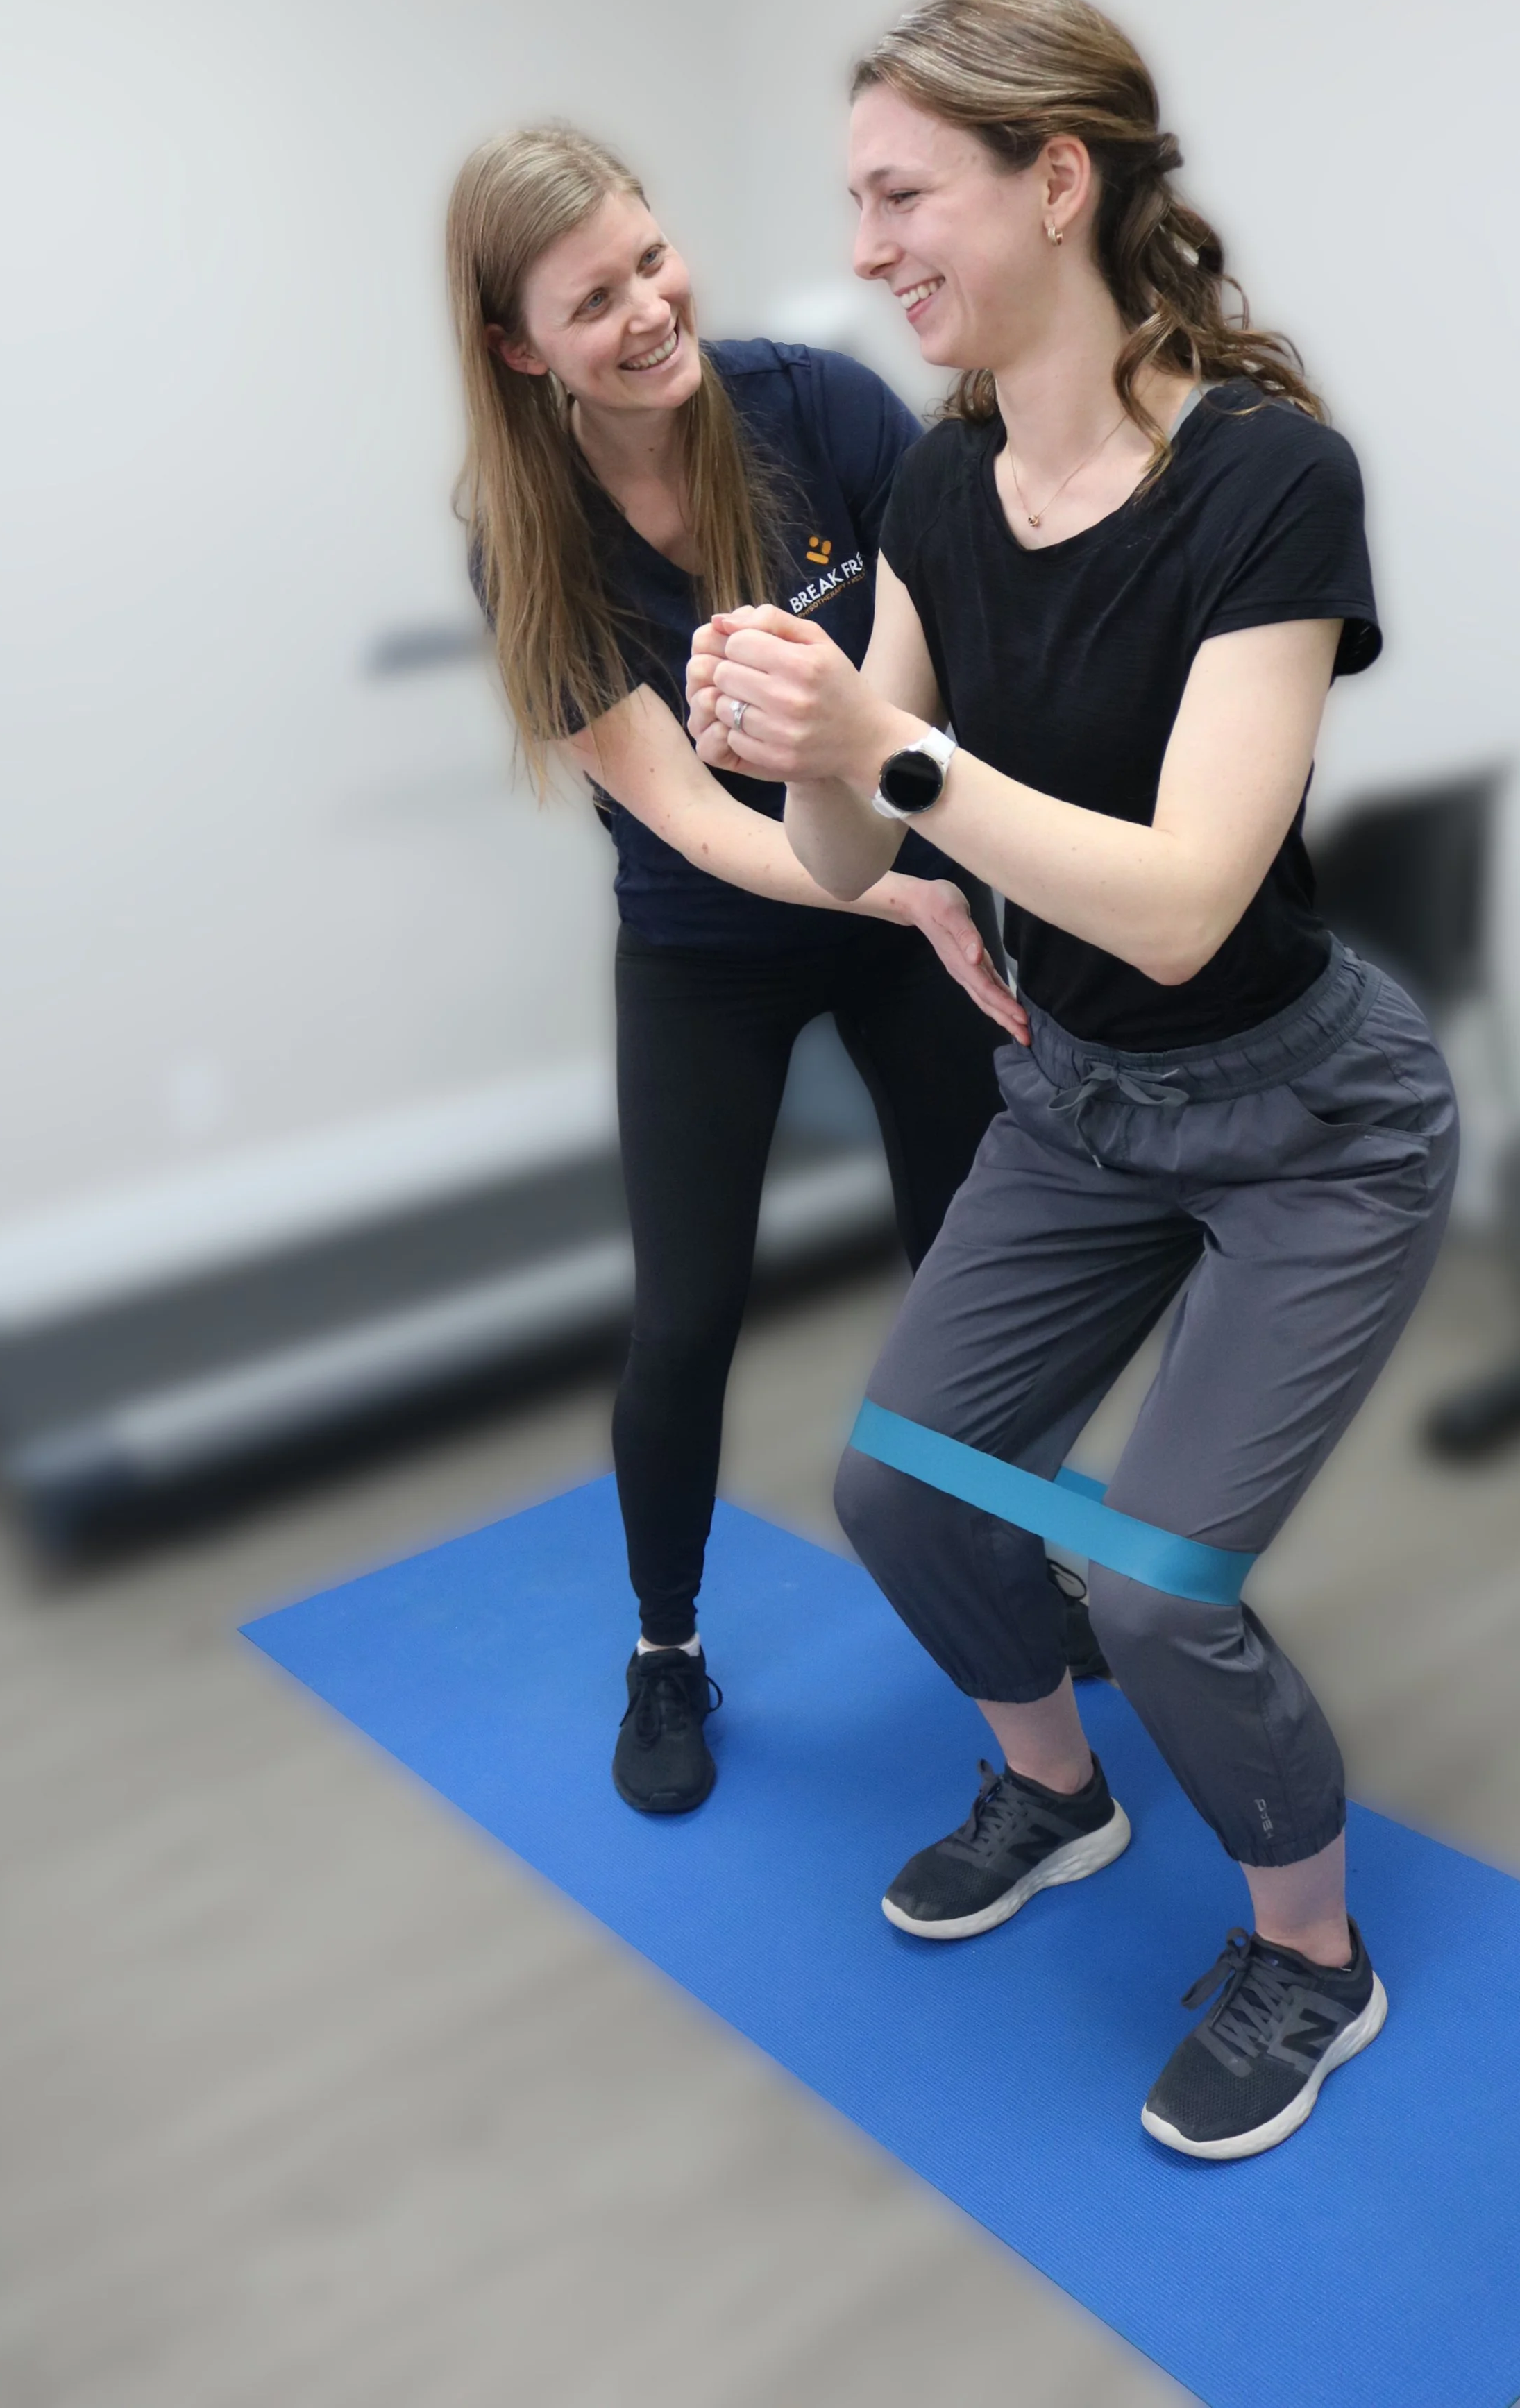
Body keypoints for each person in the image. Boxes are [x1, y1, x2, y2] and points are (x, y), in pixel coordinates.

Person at [687, 0, 1458, 2160]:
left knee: (1151, 1574)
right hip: (1087, 1098)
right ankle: (1054, 1789)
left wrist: (890, 748)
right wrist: (805, 726)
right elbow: (848, 840)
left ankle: (1310, 1952)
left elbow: (1188, 899)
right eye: (855, 204)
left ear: (1056, 180)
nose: (870, 250)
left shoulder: (1267, 484)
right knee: (902, 1489)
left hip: (1312, 1117)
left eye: (901, 194)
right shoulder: (943, 475)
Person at [446, 124, 1060, 1821]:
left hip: (896, 875)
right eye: (592, 299)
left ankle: (1010, 1561)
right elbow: (690, 822)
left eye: (652, 259)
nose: (649, 308)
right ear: (519, 349)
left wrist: (962, 864)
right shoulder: (527, 530)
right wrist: (912, 904)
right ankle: (664, 1650)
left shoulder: (817, 411)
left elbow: (938, 678)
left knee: (972, 1265)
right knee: (686, 1314)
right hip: (711, 939)